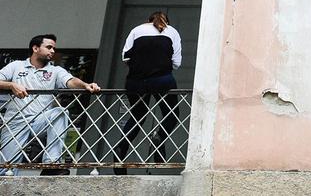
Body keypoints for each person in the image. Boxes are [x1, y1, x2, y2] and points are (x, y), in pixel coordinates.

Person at [0, 34, 101, 176]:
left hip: (40, 121)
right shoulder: (16, 66)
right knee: (6, 171)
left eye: (54, 48)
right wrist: (11, 85)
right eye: (49, 47)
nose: (53, 51)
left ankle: (51, 164)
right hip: (15, 123)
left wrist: (85, 85)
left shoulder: (55, 70)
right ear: (35, 48)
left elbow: (70, 81)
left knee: (60, 112)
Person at [114, 11, 181, 175]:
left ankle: (121, 147)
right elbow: (177, 62)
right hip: (162, 80)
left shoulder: (136, 30)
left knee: (137, 115)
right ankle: (159, 138)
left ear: (148, 20)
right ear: (167, 21)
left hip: (136, 81)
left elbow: (125, 57)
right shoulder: (172, 31)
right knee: (172, 113)